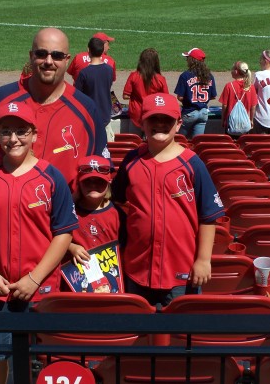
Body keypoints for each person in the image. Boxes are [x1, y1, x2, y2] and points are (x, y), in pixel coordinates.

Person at [0, 27, 108, 384]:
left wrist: (71, 236)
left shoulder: (85, 108)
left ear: (68, 61)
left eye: (56, 56)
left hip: (57, 237)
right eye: (41, 54)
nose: (48, 61)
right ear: (31, 54)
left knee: (50, 319)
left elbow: (97, 177)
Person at [0, 101, 78, 384]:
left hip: (40, 287)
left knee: (39, 357)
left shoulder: (50, 176)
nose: (13, 139)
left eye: (21, 131)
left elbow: (64, 233)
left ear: (34, 134)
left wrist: (34, 279)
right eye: (6, 131)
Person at [112, 93, 224, 310]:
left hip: (182, 269)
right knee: (139, 333)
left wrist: (203, 260)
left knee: (179, 334)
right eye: (153, 119)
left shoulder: (193, 164)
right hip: (137, 267)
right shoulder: (131, 161)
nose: (160, 124)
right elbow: (115, 200)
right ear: (141, 122)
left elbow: (208, 216)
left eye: (167, 120)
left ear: (179, 123)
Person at [68, 155, 126, 266]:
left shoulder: (118, 214)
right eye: (87, 181)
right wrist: (71, 247)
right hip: (78, 275)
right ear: (79, 183)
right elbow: (54, 237)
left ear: (108, 183)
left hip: (112, 274)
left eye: (99, 181)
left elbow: (125, 249)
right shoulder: (70, 212)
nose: (93, 185)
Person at [74, 38, 114, 141]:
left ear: (88, 50)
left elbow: (77, 95)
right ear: (102, 51)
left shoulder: (84, 73)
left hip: (90, 116)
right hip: (105, 115)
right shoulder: (109, 70)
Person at [123, 48, 169, 135]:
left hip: (136, 114)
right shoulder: (160, 79)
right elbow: (165, 97)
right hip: (153, 114)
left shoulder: (134, 76)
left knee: (134, 141)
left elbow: (125, 96)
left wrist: (136, 95)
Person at [174, 48, 217, 139]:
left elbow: (180, 97)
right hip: (203, 113)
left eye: (188, 58)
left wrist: (190, 98)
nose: (186, 60)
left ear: (192, 60)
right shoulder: (209, 76)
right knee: (196, 142)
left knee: (179, 140)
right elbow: (213, 96)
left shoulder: (185, 75)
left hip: (189, 113)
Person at [219, 61, 257, 139]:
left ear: (236, 71)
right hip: (245, 124)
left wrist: (223, 119)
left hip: (230, 124)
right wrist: (251, 120)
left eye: (232, 69)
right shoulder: (251, 87)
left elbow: (224, 106)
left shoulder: (229, 86)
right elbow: (253, 106)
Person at [253, 50, 270, 134]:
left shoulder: (259, 75)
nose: (260, 62)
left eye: (261, 59)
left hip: (261, 118)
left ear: (266, 61)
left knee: (260, 146)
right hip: (261, 119)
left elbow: (253, 95)